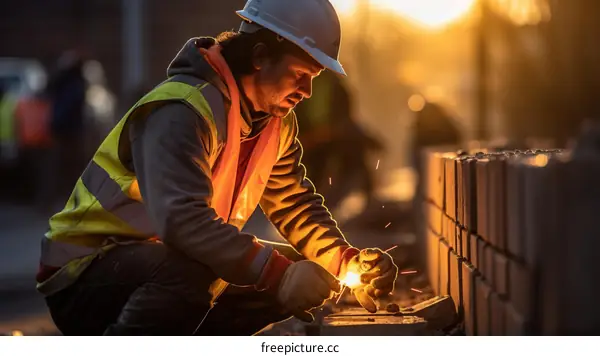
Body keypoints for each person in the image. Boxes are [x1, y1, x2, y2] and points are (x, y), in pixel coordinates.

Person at [36, 0, 398, 336]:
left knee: (299, 269)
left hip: (157, 263)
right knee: (224, 270)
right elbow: (183, 222)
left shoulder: (276, 121)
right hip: (82, 276)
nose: (307, 91)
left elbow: (293, 204)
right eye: (301, 74)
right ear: (260, 56)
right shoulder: (181, 110)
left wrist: (346, 261)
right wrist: (278, 274)